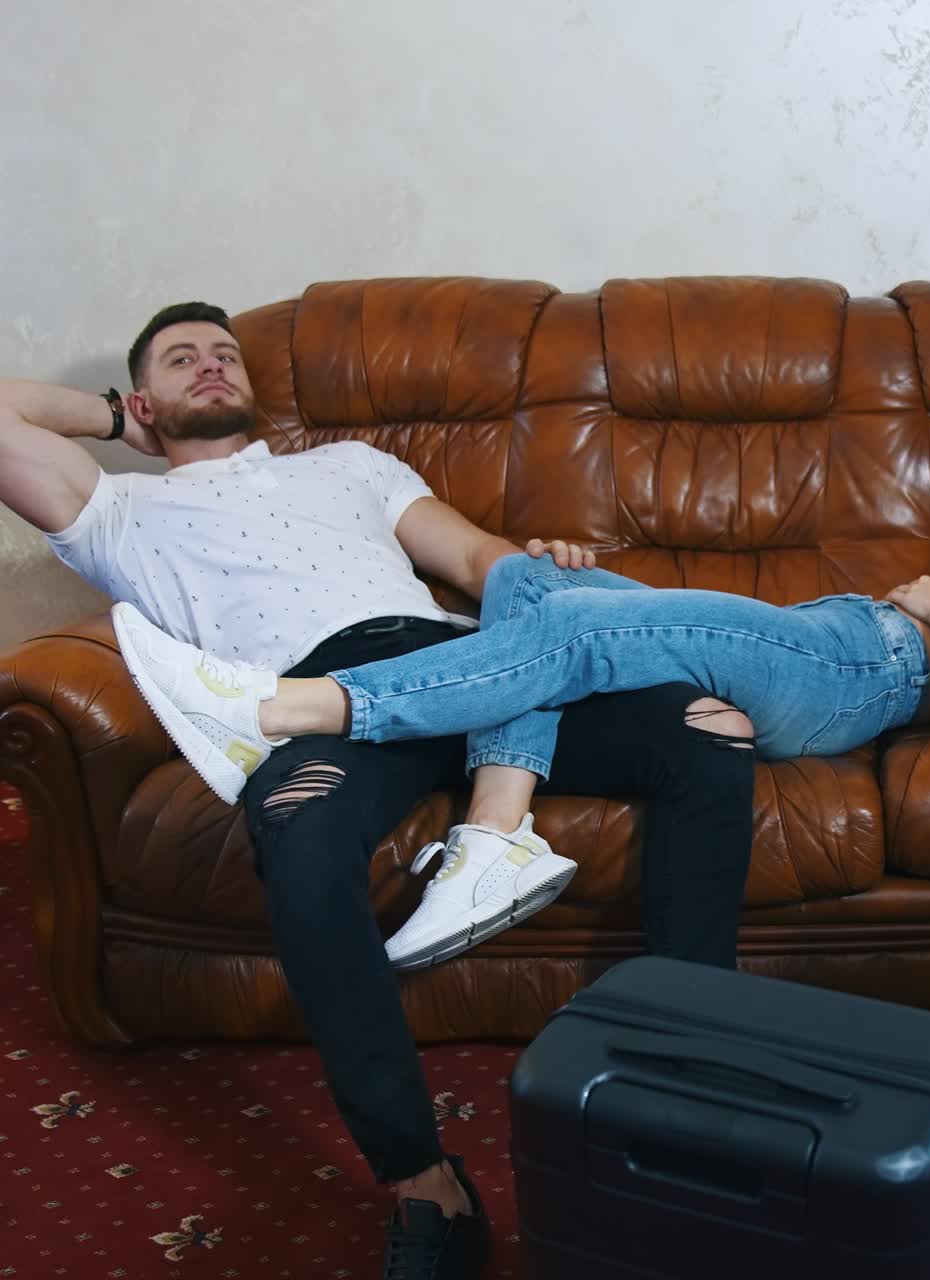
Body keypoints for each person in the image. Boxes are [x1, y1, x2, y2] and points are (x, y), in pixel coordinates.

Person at [0, 302, 760, 1280]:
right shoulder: (117, 510)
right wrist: (114, 418)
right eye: (181, 360)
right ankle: (423, 1181)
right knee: (299, 829)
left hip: (465, 665)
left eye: (225, 353)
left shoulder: (350, 464)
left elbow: (476, 560)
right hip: (321, 702)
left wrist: (544, 575)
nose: (211, 366)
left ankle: (690, 1090)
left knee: (709, 733)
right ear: (144, 397)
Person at [113, 420, 930, 886]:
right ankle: (496, 832)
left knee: (567, 626)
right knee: (527, 581)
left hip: (864, 671)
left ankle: (283, 709)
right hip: (830, 635)